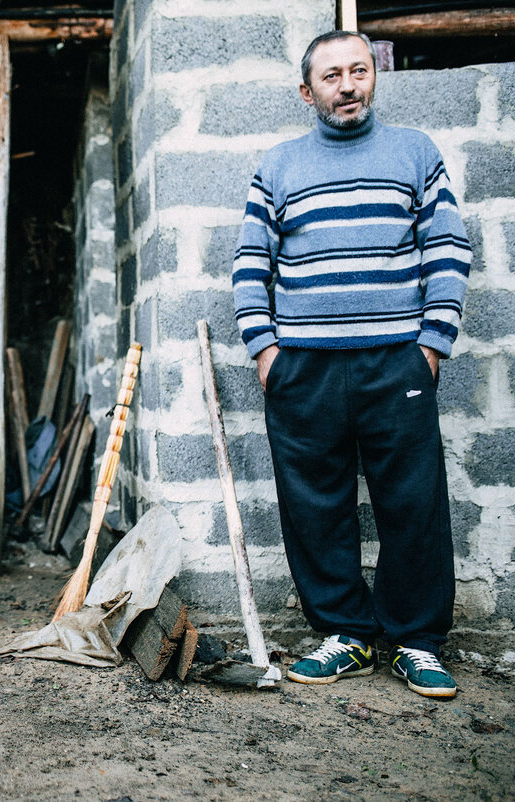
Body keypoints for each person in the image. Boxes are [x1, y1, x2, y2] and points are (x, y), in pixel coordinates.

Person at [232, 31, 471, 698]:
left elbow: (449, 249)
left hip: (397, 363)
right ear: (307, 92)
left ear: (374, 78)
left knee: (413, 502)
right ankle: (346, 635)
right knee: (315, 503)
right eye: (332, 75)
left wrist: (430, 346)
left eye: (358, 71)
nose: (348, 85)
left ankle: (416, 642)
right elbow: (252, 266)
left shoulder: (414, 153)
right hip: (303, 368)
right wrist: (267, 355)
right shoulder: (277, 166)